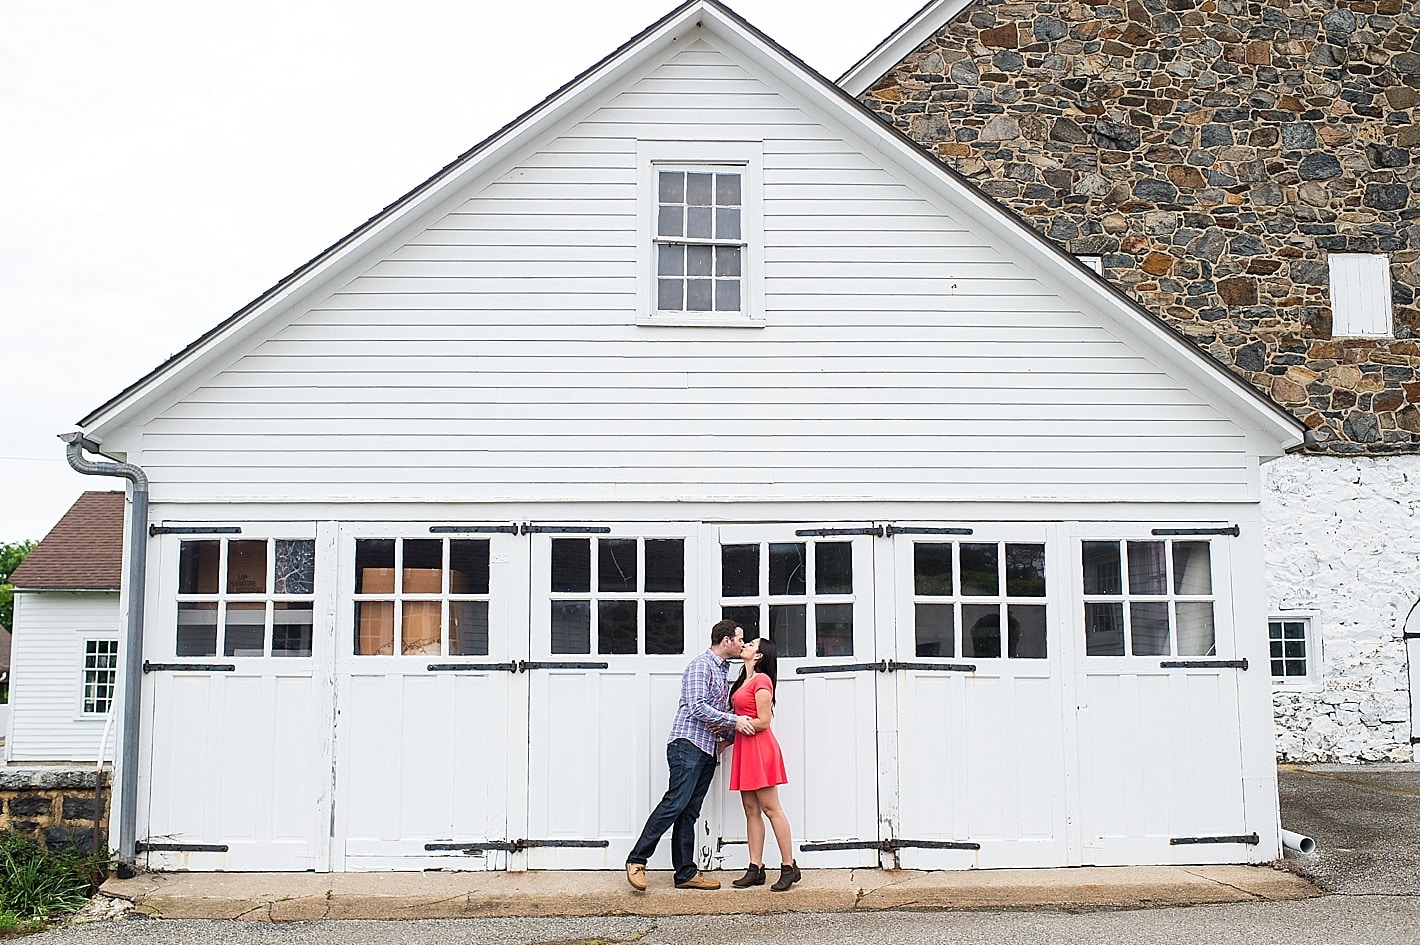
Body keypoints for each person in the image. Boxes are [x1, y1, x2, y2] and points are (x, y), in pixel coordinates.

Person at [625, 619, 757, 891]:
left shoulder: (721, 671)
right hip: (687, 745)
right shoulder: (702, 665)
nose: (743, 644)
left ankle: (685, 873)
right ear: (726, 641)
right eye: (740, 639)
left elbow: (716, 715)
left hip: (707, 749)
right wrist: (735, 722)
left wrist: (726, 738)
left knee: (689, 812)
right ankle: (637, 859)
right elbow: (696, 707)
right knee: (675, 803)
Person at [727, 637, 800, 892]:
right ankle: (755, 867)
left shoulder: (762, 680)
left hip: (760, 748)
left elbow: (763, 721)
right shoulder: (743, 679)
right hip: (745, 748)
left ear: (758, 656)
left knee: (771, 809)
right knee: (750, 809)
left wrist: (736, 723)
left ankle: (789, 867)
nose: (745, 645)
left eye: (751, 644)